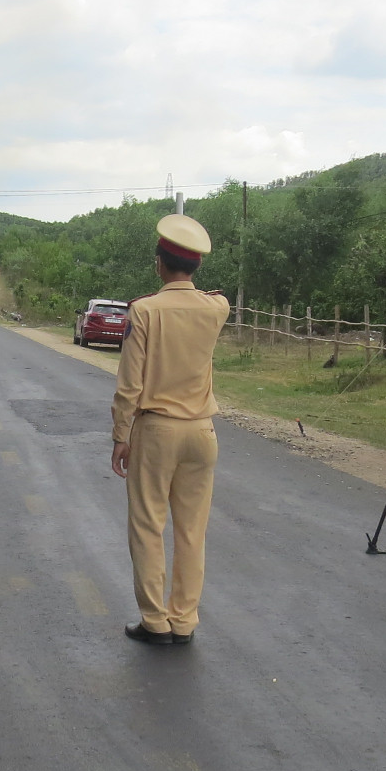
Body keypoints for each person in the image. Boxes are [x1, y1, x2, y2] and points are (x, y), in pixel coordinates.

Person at [111, 214, 231, 646]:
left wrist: (120, 435)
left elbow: (130, 384)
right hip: (202, 431)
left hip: (157, 429)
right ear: (196, 265)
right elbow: (211, 298)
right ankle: (184, 620)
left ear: (159, 264)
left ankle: (154, 621)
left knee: (148, 525)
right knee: (191, 531)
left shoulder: (144, 311)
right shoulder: (218, 307)